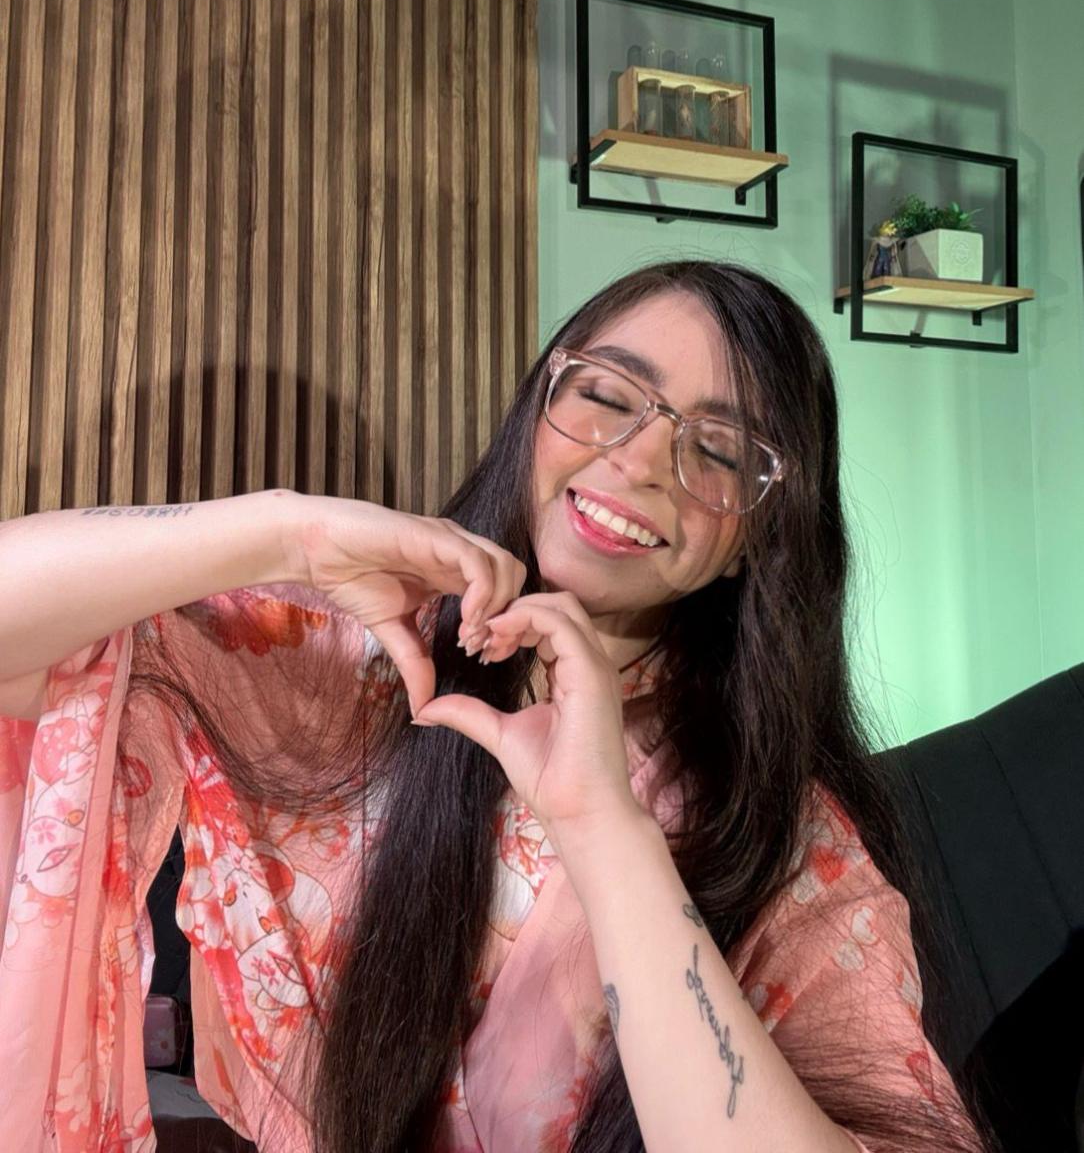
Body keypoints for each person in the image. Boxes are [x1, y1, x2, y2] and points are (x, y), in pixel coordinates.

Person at [0, 259, 999, 1153]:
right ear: (538, 410)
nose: (641, 462)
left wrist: (605, 828)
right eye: (607, 395)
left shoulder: (788, 845)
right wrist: (284, 533)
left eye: (722, 453)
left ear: (756, 539)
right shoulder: (345, 657)